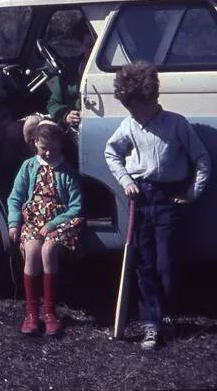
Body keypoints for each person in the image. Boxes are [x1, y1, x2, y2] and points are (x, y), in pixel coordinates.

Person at [104, 61, 211, 350]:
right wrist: (126, 180)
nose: (133, 114)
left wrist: (192, 192)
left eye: (137, 107)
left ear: (153, 98)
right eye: (129, 109)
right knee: (145, 264)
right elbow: (111, 153)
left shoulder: (176, 124)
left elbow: (201, 158)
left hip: (168, 200)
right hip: (140, 198)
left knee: (166, 263)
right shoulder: (129, 125)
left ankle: (168, 315)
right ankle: (151, 324)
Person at [8, 120, 84, 336]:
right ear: (35, 144)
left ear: (61, 145)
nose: (49, 153)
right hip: (33, 222)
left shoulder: (67, 171)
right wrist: (14, 223)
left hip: (59, 221)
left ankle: (50, 312)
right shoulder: (29, 167)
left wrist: (53, 223)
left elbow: (76, 206)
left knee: (48, 251)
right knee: (32, 251)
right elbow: (15, 197)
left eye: (53, 148)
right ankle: (32, 313)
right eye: (44, 148)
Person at [46, 19, 95, 132]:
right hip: (69, 128)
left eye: (97, 46)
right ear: (82, 47)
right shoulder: (69, 69)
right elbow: (53, 104)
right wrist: (66, 116)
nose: (93, 51)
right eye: (89, 46)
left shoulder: (108, 71)